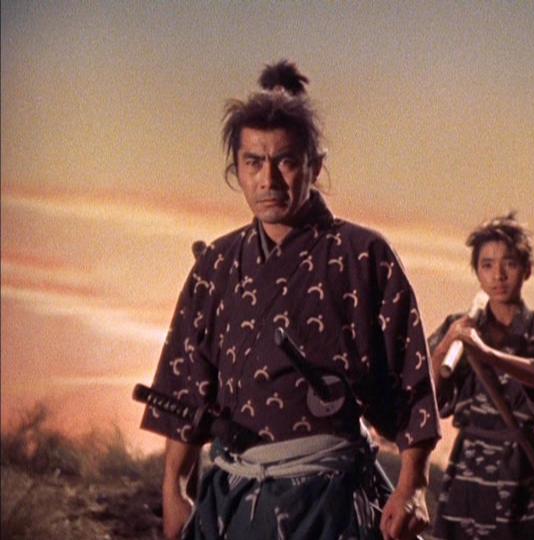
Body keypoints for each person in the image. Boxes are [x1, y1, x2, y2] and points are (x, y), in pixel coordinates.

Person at [140, 60, 440, 540]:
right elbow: (186, 382)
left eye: (286, 161)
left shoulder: (363, 254)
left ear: (314, 166)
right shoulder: (216, 264)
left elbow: (410, 381)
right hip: (233, 499)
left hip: (331, 499)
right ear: (236, 170)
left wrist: (413, 484)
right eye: (253, 163)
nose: (269, 180)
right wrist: (174, 485)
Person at [427, 214, 534, 540]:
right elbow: (427, 391)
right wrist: (447, 344)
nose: (499, 275)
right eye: (487, 265)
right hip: (468, 471)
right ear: (477, 273)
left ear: (527, 270)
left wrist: (488, 354)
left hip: (521, 471)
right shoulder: (461, 327)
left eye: (510, 264)